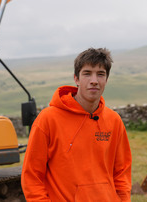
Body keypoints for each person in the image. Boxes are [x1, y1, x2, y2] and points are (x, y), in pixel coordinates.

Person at [21, 48, 132, 202]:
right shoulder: (48, 119)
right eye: (87, 73)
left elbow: (121, 172)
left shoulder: (114, 121)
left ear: (106, 79)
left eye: (100, 74)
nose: (94, 80)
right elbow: (32, 176)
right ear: (76, 79)